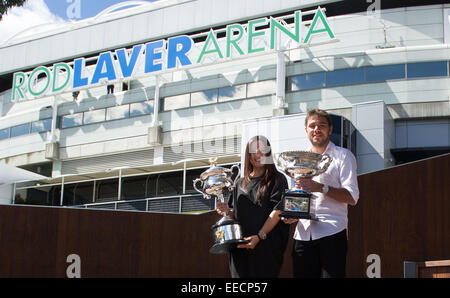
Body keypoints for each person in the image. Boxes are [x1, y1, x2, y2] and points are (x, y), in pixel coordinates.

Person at [282, 108, 359, 278]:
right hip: (302, 235)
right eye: (312, 125)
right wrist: (292, 214)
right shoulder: (298, 160)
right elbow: (298, 195)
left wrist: (320, 187)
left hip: (332, 232)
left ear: (330, 129)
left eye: (322, 125)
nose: (316, 129)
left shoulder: (343, 156)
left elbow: (352, 197)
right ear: (306, 130)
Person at [216, 135, 290, 278]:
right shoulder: (239, 183)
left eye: (262, 150)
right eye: (253, 151)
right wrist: (226, 211)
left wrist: (260, 236)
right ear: (248, 156)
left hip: (266, 247)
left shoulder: (277, 179)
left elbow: (277, 210)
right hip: (240, 247)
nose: (258, 155)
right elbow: (233, 213)